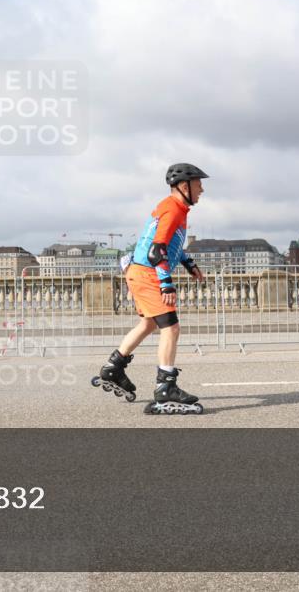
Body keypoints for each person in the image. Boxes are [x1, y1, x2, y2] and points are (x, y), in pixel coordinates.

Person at [93, 163, 208, 415]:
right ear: (183, 185)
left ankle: (113, 368)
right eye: (198, 183)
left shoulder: (175, 208)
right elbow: (157, 251)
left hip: (139, 272)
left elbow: (170, 243)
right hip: (148, 274)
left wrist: (189, 263)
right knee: (171, 327)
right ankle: (165, 386)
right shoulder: (173, 209)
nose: (202, 189)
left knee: (148, 324)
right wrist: (166, 283)